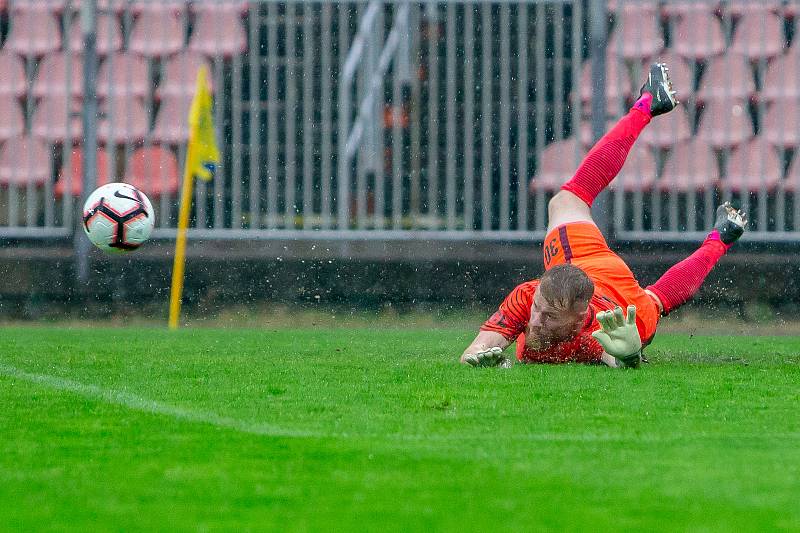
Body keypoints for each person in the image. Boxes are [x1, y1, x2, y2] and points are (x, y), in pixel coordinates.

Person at [460, 63, 748, 369]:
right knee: (568, 201)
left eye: (550, 316)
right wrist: (476, 358)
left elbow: (616, 359)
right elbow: (475, 349)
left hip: (614, 291)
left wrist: (628, 353)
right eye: (538, 309)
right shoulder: (530, 296)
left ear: (581, 318)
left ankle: (719, 236)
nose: (535, 321)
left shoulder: (613, 325)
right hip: (582, 262)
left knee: (651, 305)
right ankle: (721, 232)